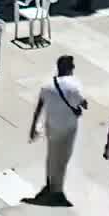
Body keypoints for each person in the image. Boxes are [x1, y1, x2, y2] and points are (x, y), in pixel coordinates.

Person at [29, 55, 88, 205]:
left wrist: (33, 127)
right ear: (69, 68)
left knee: (52, 155)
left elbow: (39, 107)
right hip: (68, 128)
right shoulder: (74, 85)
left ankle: (50, 182)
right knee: (62, 159)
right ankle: (57, 191)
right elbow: (84, 104)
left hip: (52, 126)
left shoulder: (47, 85)